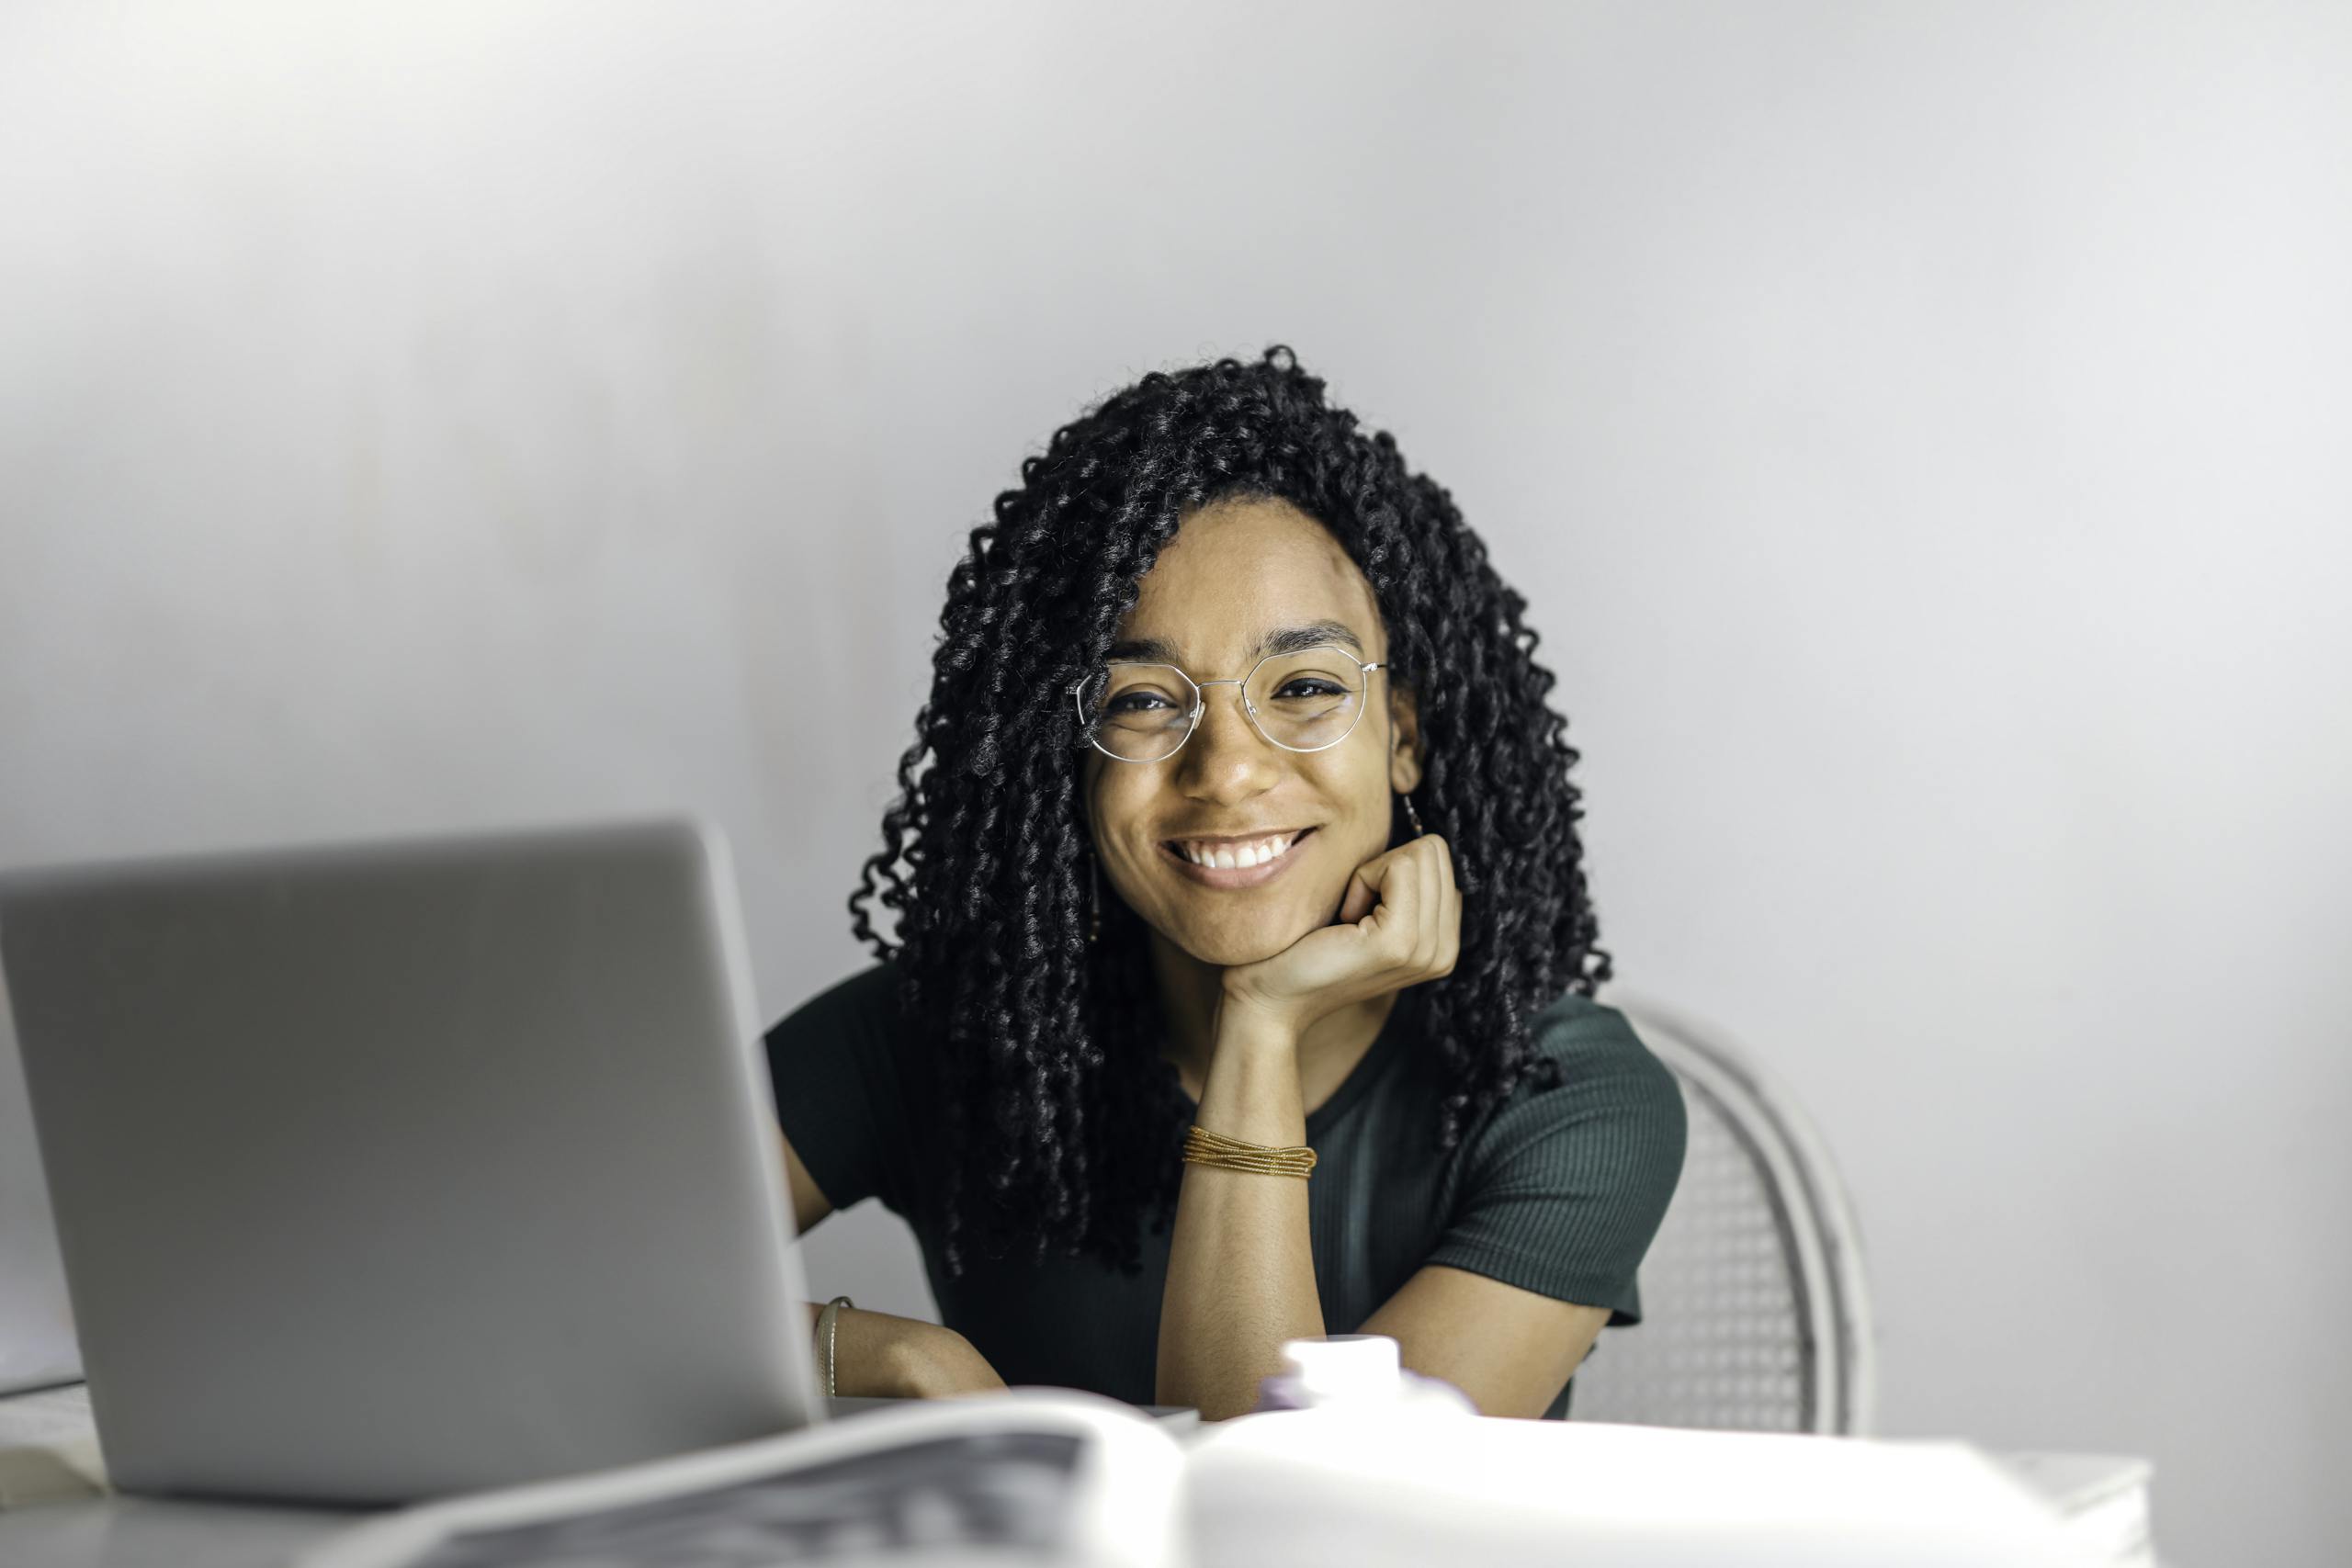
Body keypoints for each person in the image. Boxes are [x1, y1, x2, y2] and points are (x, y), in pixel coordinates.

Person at [770, 346, 1686, 1422]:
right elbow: (546, 1285)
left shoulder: (1562, 1098)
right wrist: (882, 1356)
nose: (1228, 769)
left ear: (1403, 738)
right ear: (1065, 753)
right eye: (1143, 701)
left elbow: (1294, 1529)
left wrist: (1261, 1025)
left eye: (1301, 686)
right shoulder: (940, 1031)